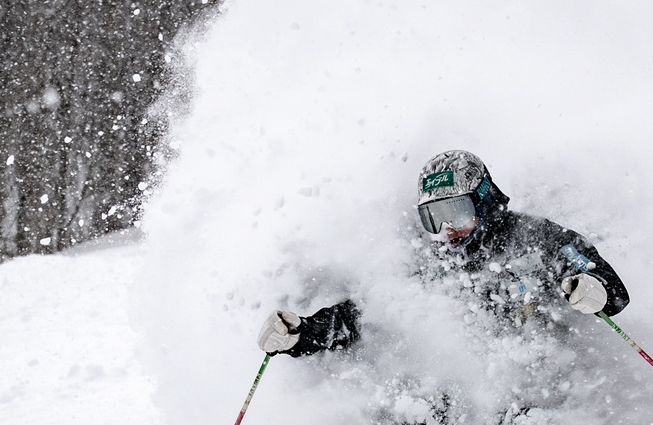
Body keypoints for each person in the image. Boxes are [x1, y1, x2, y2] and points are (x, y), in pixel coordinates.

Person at [256, 149, 629, 359]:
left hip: (540, 370)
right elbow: (366, 315)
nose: (447, 229)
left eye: (456, 213)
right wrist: (302, 334)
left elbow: (609, 289)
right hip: (471, 383)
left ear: (482, 201)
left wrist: (594, 288)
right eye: (434, 218)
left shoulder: (535, 237)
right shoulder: (432, 267)